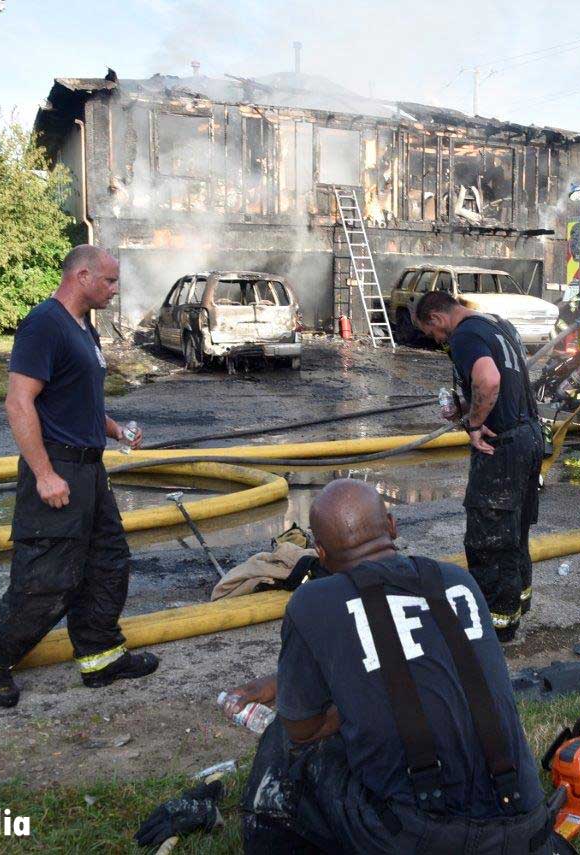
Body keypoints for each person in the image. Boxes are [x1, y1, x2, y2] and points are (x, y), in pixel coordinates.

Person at [230, 479, 553, 854]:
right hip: (526, 826)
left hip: (420, 838)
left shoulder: (312, 603)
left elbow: (301, 729)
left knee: (287, 741)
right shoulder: (456, 581)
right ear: (393, 525)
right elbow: (419, 660)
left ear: (319, 552)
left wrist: (342, 708)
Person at [0, 245, 158, 708]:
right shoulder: (44, 324)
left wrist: (116, 430)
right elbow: (19, 402)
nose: (114, 289)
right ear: (82, 276)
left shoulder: (85, 328)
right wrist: (44, 474)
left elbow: (77, 403)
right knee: (48, 578)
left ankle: (100, 656)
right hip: (57, 470)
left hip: (90, 470)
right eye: (108, 281)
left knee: (107, 565)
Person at [413, 290, 543, 642]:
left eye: (433, 334)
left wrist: (473, 425)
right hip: (528, 436)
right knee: (515, 533)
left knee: (490, 539)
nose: (438, 341)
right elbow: (507, 378)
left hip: (501, 448)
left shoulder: (465, 335)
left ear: (436, 319)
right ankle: (515, 608)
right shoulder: (495, 325)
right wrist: (469, 408)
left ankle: (494, 629)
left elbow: (489, 379)